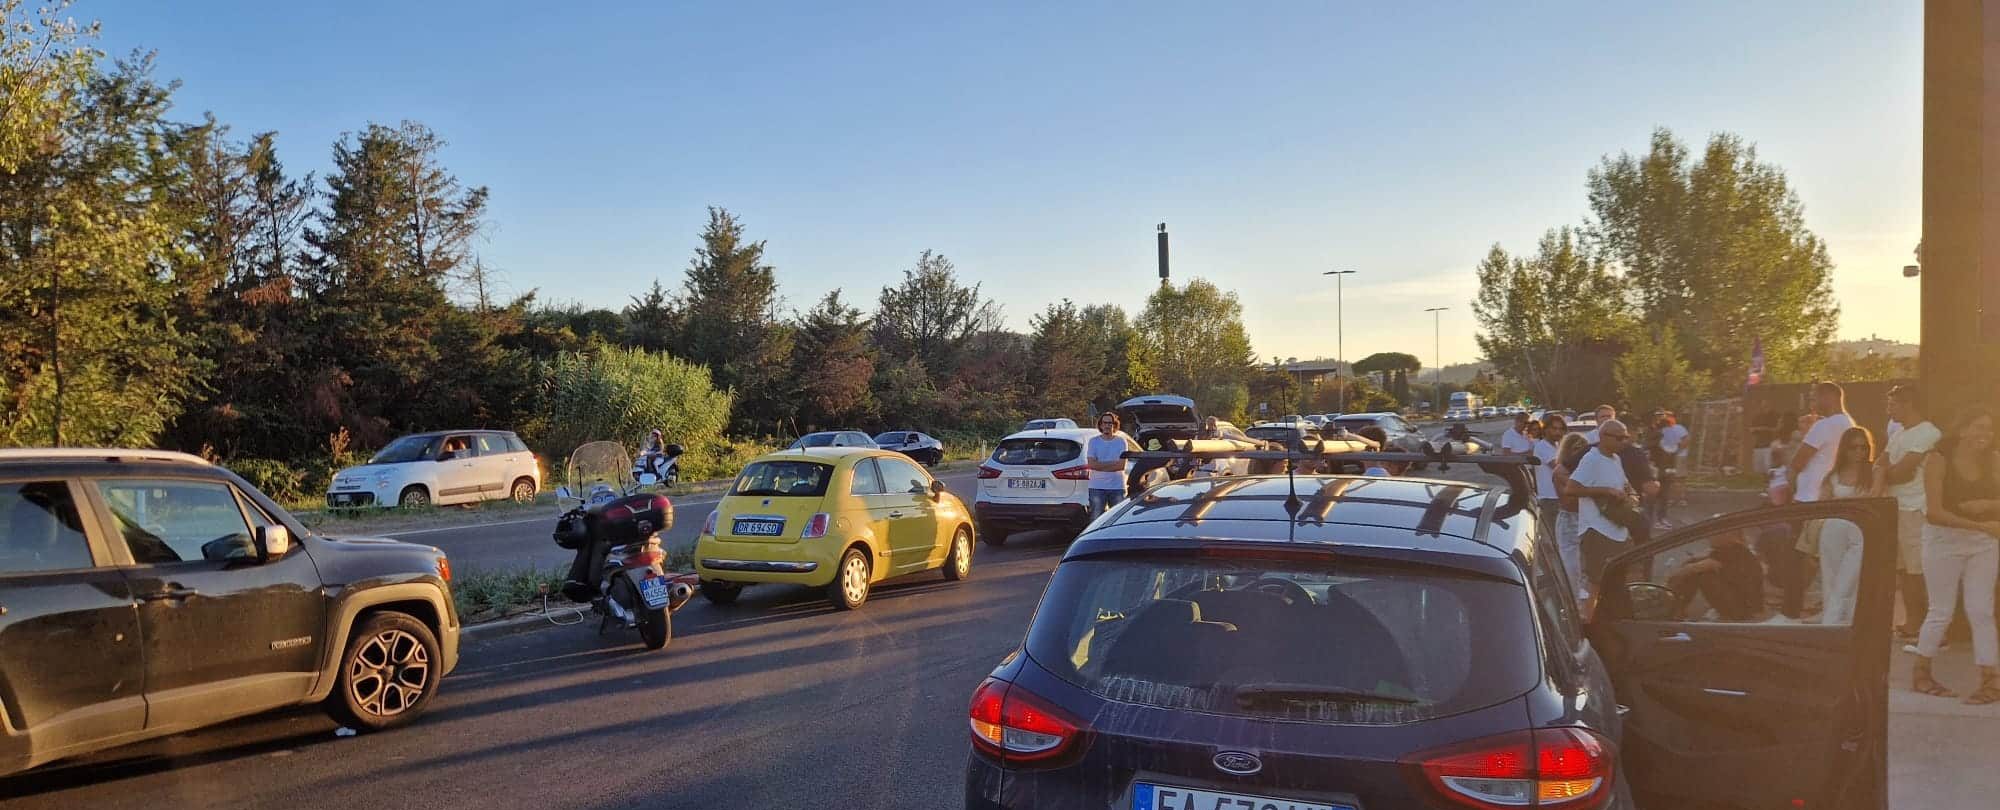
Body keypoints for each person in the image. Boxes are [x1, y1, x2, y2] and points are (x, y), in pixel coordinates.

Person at [1911, 407, 2000, 704]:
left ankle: (1991, 680)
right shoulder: (1937, 460)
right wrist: (1980, 522)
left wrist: (1986, 505)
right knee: (1941, 611)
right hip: (1943, 541)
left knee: (1981, 611)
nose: (1985, 435)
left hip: (1983, 541)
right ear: (1962, 430)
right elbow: (1935, 513)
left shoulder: (1994, 460)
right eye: (1978, 427)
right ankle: (1921, 674)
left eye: (1988, 429)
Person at [1882, 385, 1941, 640]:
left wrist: (1884, 474)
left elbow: (1902, 472)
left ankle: (1926, 624)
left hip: (1915, 510)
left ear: (1909, 404)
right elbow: (1881, 462)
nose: (1889, 409)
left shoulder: (1928, 432)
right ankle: (1911, 620)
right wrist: (1885, 471)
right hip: (1896, 508)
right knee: (1903, 571)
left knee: (1917, 571)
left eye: (1893, 404)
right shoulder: (1897, 434)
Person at [1815, 426, 1880, 625]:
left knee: (1849, 580)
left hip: (1860, 533)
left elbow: (1875, 498)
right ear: (1845, 449)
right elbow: (1821, 505)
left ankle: (1832, 623)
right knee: (1831, 578)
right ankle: (1838, 625)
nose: (1859, 452)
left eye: (1863, 447)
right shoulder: (1833, 475)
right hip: (1833, 530)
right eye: (1854, 447)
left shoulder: (1874, 472)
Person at [1565, 419, 1638, 590]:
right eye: (1619, 438)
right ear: (1603, 437)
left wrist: (1632, 494)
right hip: (1597, 531)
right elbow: (1571, 488)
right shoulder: (1591, 459)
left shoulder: (1616, 459)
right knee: (1598, 585)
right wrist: (1605, 491)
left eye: (1625, 437)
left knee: (1617, 584)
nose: (1623, 441)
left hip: (1618, 530)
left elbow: (1625, 485)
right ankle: (1591, 617)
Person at [1667, 529, 1765, 621]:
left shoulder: (1733, 553)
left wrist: (1691, 568)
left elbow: (1685, 573)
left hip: (1743, 612)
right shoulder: (1732, 550)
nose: (1709, 536)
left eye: (1715, 533)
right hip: (1745, 605)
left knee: (1700, 572)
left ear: (1729, 536)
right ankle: (1676, 610)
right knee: (1695, 567)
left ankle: (1675, 611)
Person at [1550, 432, 1592, 603]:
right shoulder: (1561, 471)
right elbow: (1571, 499)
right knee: (1571, 566)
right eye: (1575, 448)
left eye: (1582, 448)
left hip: (1587, 519)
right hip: (1570, 519)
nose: (1579, 453)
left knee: (1587, 566)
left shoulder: (1583, 469)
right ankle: (1570, 602)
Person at [1085, 413, 1132, 518]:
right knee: (1096, 519)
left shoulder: (1121, 441)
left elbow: (1121, 466)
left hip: (1117, 487)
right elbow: (1091, 465)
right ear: (1100, 425)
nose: (1107, 425)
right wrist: (1113, 463)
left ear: (1114, 425)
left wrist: (1100, 464)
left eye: (1110, 423)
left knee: (1118, 518)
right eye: (1104, 423)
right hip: (1097, 487)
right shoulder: (1093, 442)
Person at [1657, 412, 1690, 507]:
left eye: (1669, 417)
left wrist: (1676, 450)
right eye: (1665, 417)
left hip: (1679, 456)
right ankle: (1670, 498)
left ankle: (1681, 498)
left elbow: (1686, 440)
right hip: (1666, 457)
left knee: (1680, 478)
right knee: (1669, 478)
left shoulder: (1679, 428)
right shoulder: (1662, 429)